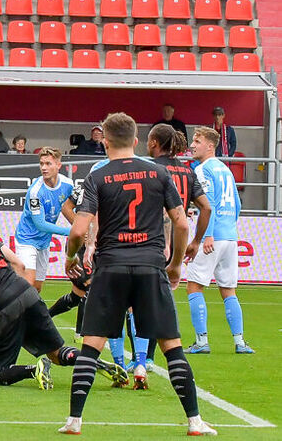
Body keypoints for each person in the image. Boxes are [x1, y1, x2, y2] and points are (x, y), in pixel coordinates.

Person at [59, 112, 215, 436]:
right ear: (135, 140)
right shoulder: (158, 173)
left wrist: (71, 256)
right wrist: (175, 264)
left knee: (91, 346)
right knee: (172, 346)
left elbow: (78, 230)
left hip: (110, 267)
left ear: (105, 142)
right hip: (150, 266)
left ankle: (74, 421)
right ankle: (195, 422)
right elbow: (181, 223)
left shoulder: (98, 176)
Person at [0, 195, 127, 389]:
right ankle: (93, 361)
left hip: (0, 307)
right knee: (56, 354)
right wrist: (18, 293)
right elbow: (18, 264)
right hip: (26, 292)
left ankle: (34, 369)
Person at [142, 123, 213, 375]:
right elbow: (206, 207)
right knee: (160, 296)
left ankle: (144, 358)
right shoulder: (187, 171)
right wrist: (195, 241)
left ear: (154, 142)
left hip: (154, 239)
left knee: (143, 298)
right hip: (178, 242)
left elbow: (162, 210)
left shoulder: (151, 168)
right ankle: (154, 355)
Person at [186, 127, 254, 355]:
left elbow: (209, 204)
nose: (192, 145)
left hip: (212, 237)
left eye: (197, 141)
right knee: (228, 290)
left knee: (194, 286)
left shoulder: (202, 169)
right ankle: (240, 342)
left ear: (210, 146)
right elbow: (237, 204)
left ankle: (201, 342)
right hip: (230, 237)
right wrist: (229, 228)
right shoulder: (226, 169)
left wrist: (208, 235)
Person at [14, 147, 75, 292]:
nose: (43, 168)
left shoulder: (68, 185)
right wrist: (71, 231)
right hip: (27, 239)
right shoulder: (35, 192)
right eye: (41, 164)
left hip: (44, 242)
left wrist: (81, 227)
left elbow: (67, 208)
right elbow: (40, 224)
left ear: (58, 165)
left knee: (37, 288)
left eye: (48, 164)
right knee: (28, 284)